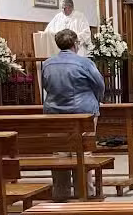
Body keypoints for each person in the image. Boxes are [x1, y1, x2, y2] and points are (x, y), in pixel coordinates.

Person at [41, 29, 106, 201]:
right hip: (83, 113)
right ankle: (84, 192)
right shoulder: (84, 63)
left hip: (55, 114)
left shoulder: (47, 64)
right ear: (75, 44)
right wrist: (96, 102)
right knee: (83, 153)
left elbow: (46, 86)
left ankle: (61, 193)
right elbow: (99, 85)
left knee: (60, 154)